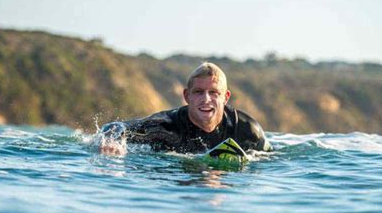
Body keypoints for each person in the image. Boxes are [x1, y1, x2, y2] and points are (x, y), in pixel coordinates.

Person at [99, 62, 272, 155]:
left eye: (214, 93)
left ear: (226, 97)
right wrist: (111, 143)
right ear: (186, 96)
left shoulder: (246, 130)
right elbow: (115, 127)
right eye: (198, 92)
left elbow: (271, 159)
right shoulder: (165, 127)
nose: (206, 99)